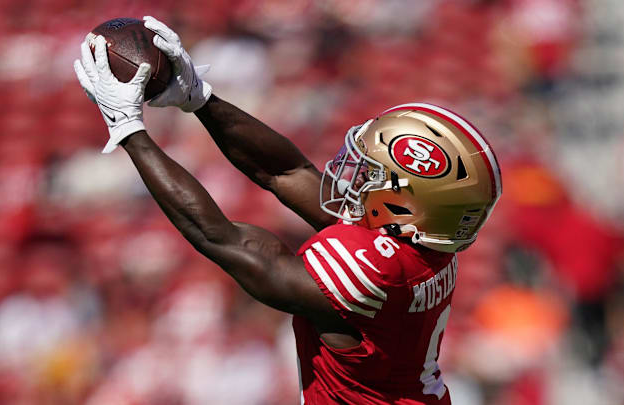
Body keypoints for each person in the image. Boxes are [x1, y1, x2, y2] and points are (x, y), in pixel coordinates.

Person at [73, 16, 502, 405]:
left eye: (373, 173)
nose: (357, 177)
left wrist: (129, 130)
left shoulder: (376, 269)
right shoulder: (423, 243)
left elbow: (220, 238)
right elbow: (286, 172)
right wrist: (200, 98)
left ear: (407, 201)